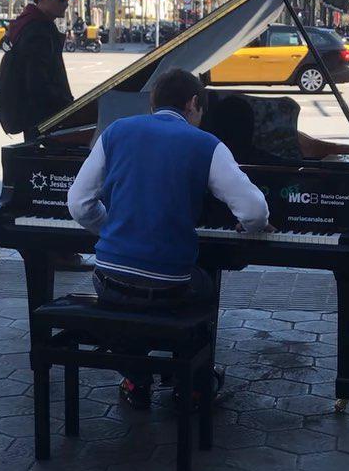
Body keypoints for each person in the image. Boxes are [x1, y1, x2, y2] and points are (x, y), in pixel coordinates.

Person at [67, 69, 271, 409]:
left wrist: (114, 229)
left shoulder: (116, 131)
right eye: (201, 112)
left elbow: (78, 203)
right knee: (205, 285)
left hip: (106, 279)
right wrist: (251, 227)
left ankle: (136, 377)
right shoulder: (205, 144)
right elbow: (253, 209)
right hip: (169, 287)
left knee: (124, 300)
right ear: (193, 103)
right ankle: (191, 381)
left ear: (152, 103)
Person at [0, 0, 88, 270]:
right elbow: (39, 85)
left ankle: (44, 247)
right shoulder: (38, 30)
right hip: (45, 121)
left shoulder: (28, 24)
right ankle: (47, 249)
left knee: (39, 185)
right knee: (49, 187)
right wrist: (71, 109)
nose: (67, 2)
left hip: (36, 119)